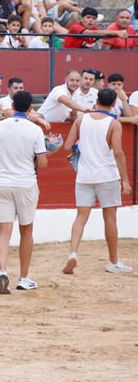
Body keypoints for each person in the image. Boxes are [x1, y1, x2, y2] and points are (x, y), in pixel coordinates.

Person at [0, 91, 48, 294]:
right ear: (29, 108)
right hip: (25, 182)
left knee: (4, 232)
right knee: (26, 230)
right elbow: (42, 163)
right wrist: (36, 158)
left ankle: (2, 270)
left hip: (3, 182)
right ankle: (24, 278)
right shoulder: (34, 130)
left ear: (13, 105)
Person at [63, 88, 133, 275]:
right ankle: (113, 261)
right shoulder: (113, 123)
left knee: (80, 217)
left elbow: (67, 145)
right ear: (113, 104)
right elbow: (118, 152)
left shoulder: (81, 120)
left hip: (84, 176)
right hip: (107, 175)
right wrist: (125, 180)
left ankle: (72, 253)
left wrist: (81, 145)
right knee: (110, 218)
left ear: (96, 100)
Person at [64, 7, 128, 49]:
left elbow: (105, 36)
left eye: (94, 18)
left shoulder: (94, 29)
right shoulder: (75, 27)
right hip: (69, 57)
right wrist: (117, 32)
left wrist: (117, 35)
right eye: (88, 17)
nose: (91, 20)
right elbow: (90, 33)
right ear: (81, 19)